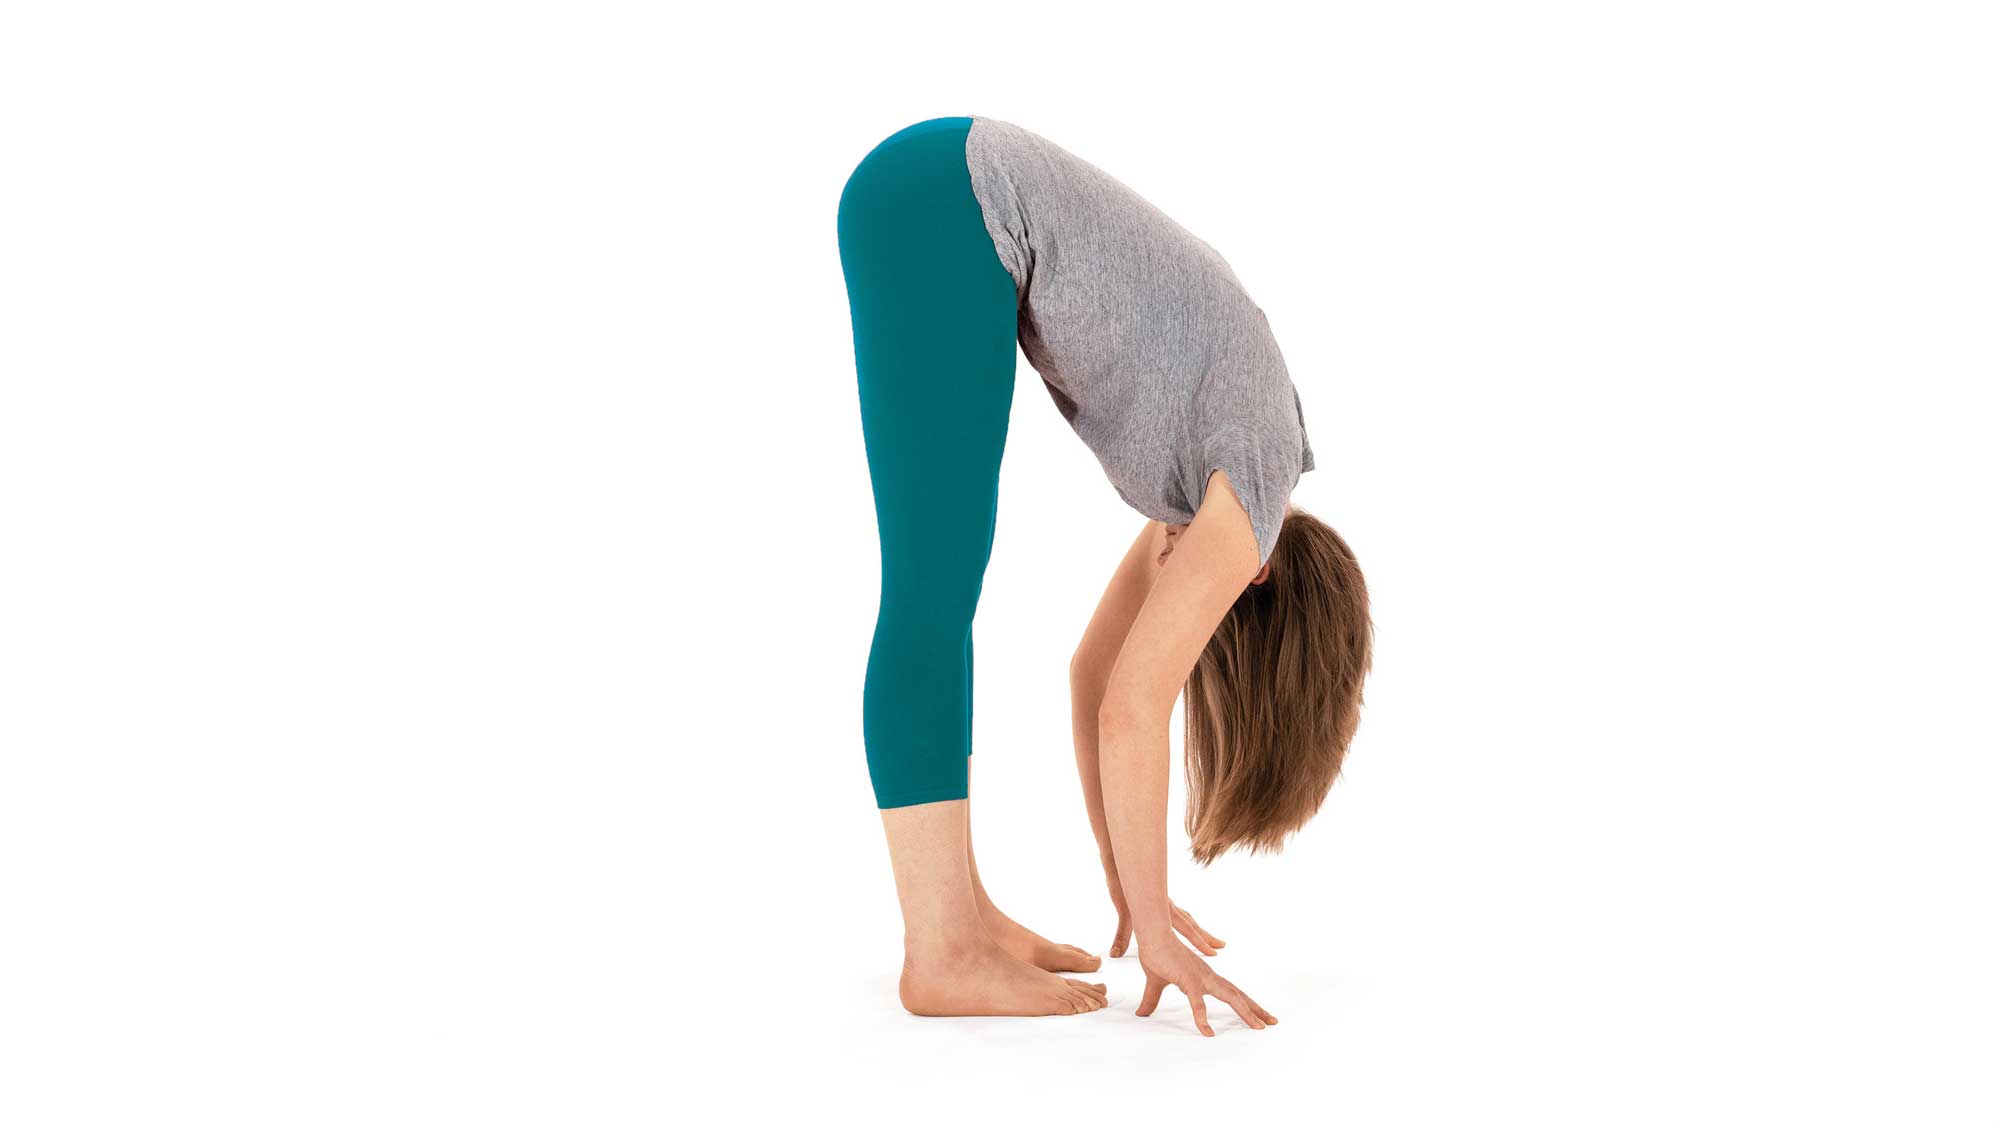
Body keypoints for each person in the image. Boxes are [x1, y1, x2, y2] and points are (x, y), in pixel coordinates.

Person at [835, 115, 1373, 1034]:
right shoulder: (1249, 487)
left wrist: (1128, 881)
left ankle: (963, 917)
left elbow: (1094, 673)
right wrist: (1159, 932)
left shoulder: (1221, 469)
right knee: (931, 589)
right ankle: (942, 950)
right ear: (1257, 587)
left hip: (943, 195)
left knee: (942, 589)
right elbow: (1136, 703)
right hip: (951, 205)